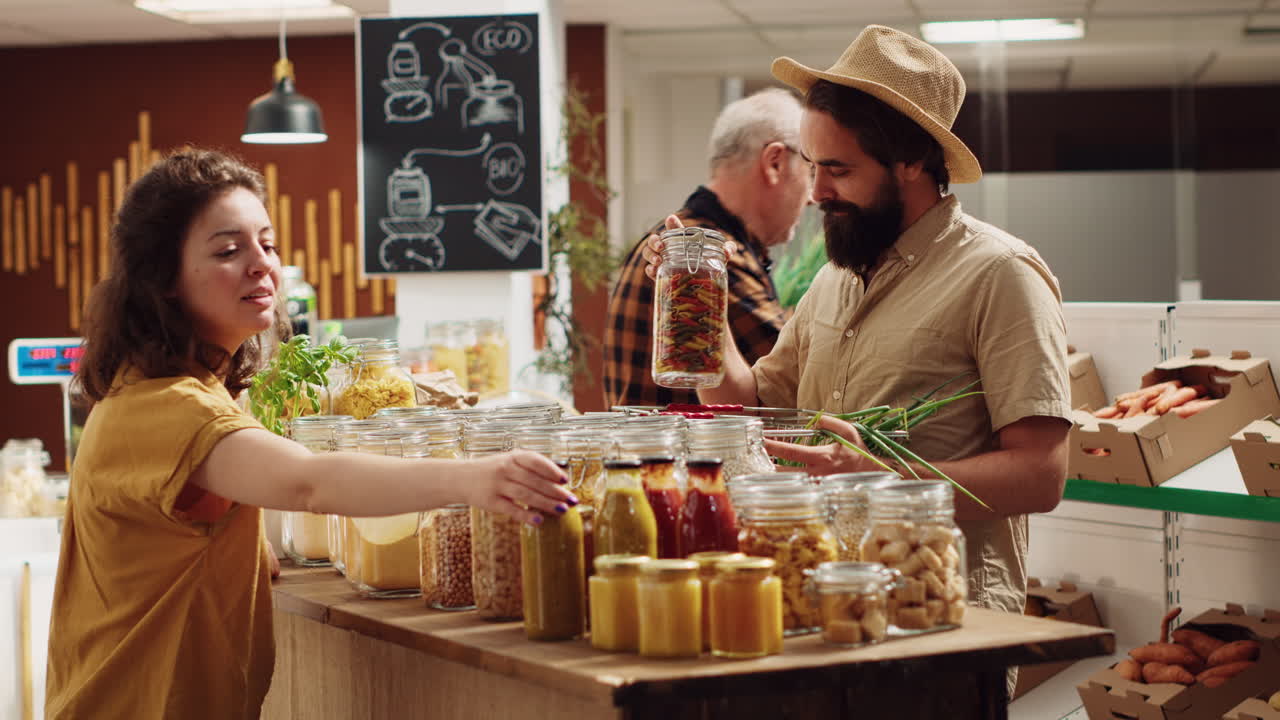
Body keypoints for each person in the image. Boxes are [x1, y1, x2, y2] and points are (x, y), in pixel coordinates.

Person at [44, 149, 576, 719]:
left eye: (267, 244)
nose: (261, 264)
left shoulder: (164, 393)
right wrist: (476, 479)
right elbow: (308, 483)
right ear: (164, 280)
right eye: (229, 250)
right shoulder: (165, 407)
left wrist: (243, 550)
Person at [646, 25, 1071, 678]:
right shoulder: (834, 279)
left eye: (838, 170)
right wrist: (698, 300)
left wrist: (876, 478)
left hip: (942, 625)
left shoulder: (999, 274)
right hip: (828, 613)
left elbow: (1041, 474)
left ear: (910, 162)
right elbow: (748, 404)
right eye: (812, 167)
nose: (816, 192)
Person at [603, 87, 814, 409]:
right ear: (775, 163)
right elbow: (800, 373)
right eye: (811, 171)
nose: (813, 196)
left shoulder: (680, 238)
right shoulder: (701, 255)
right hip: (681, 457)